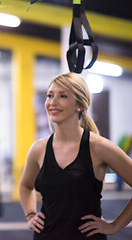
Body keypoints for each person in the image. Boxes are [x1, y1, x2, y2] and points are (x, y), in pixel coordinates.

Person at [19, 72, 132, 240]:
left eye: (62, 96)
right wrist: (30, 215)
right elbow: (25, 186)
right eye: (50, 95)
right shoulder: (38, 149)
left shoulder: (99, 147)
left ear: (80, 104)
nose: (52, 102)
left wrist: (114, 226)